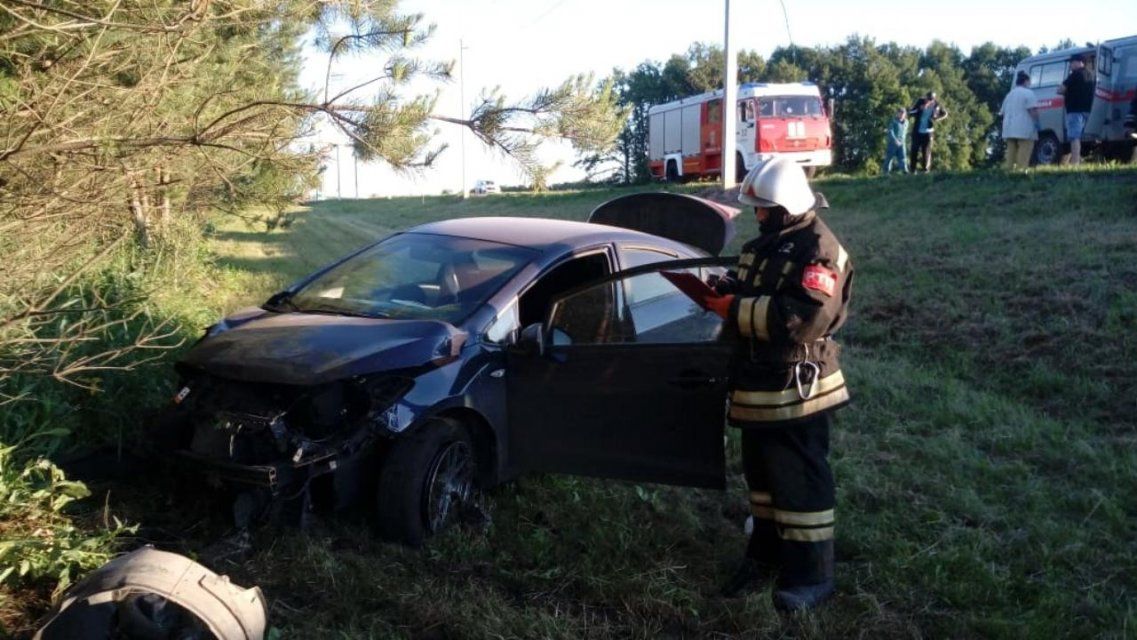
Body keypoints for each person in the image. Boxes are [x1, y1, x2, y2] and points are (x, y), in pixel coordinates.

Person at [708, 157, 854, 612]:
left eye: (764, 208)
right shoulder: (765, 245)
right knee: (764, 479)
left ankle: (812, 575)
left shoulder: (819, 250)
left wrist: (731, 309)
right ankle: (766, 555)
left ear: (786, 205)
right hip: (759, 387)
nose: (758, 215)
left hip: (797, 390)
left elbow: (802, 317)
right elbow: (751, 287)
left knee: (800, 483)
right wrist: (722, 288)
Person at [1058, 53, 1095, 165]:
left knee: (1074, 137)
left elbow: (1061, 89)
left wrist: (1063, 90)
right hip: (1087, 110)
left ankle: (1075, 163)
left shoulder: (1074, 75)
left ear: (1079, 62)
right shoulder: (1091, 75)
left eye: (1072, 62)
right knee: (1079, 137)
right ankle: (1075, 160)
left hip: (1074, 110)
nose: (1070, 65)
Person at [999, 71, 1040, 170]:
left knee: (1011, 151)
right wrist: (1037, 122)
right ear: (1026, 81)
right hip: (1024, 128)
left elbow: (1002, 112)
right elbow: (1032, 110)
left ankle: (1009, 170)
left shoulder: (1009, 95)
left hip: (1009, 127)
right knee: (1024, 150)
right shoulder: (1028, 93)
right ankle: (1021, 171)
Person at [908, 91, 948, 172]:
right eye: (928, 99)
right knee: (914, 150)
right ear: (925, 97)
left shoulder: (936, 105)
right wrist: (919, 108)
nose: (929, 101)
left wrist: (937, 118)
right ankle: (912, 169)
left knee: (926, 151)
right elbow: (911, 112)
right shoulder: (920, 102)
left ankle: (925, 170)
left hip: (928, 132)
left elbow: (945, 113)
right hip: (917, 131)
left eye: (931, 99)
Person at [884, 108, 909, 174]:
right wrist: (895, 140)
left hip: (902, 142)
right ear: (897, 113)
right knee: (889, 157)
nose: (901, 115)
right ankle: (886, 172)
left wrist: (902, 141)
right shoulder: (893, 121)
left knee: (903, 157)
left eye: (903, 113)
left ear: (905, 114)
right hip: (893, 142)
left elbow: (905, 132)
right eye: (900, 113)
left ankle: (904, 171)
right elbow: (890, 131)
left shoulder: (906, 122)